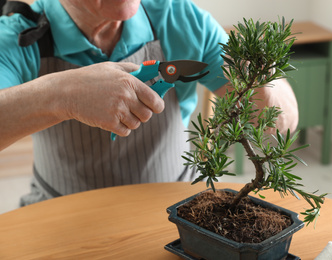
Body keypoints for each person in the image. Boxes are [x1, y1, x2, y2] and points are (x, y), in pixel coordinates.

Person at [0, 0, 298, 206]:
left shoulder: (177, 17)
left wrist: (264, 87)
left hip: (179, 203)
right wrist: (63, 94)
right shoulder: (19, 35)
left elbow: (281, 123)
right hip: (60, 209)